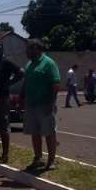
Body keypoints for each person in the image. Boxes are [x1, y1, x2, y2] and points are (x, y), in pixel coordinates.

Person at [22, 39, 61, 171]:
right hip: (31, 104)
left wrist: (51, 102)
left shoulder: (48, 63)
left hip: (44, 105)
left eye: (28, 49)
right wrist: (23, 99)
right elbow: (26, 82)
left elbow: (55, 84)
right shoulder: (29, 64)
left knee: (49, 132)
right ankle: (38, 158)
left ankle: (51, 160)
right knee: (35, 132)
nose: (26, 52)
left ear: (36, 49)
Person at [0, 41, 24, 164]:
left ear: (2, 50)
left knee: (3, 126)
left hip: (3, 97)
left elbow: (21, 72)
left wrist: (10, 83)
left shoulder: (6, 62)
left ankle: (5, 155)